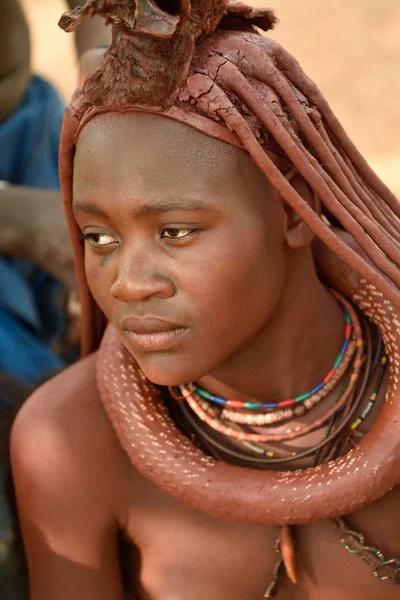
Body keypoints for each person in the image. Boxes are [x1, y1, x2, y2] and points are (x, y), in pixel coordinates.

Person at [11, 1, 400, 598]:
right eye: (100, 238)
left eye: (176, 232)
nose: (130, 282)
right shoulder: (69, 442)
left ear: (292, 209)